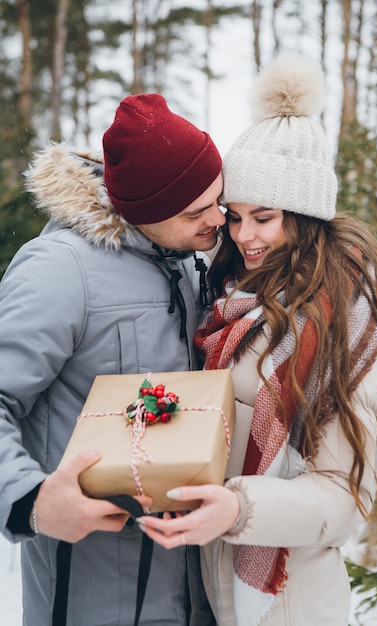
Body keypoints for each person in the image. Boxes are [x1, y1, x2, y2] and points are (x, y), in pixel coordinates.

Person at [137, 56, 377, 626]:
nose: (243, 237)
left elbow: (342, 500)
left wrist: (238, 507)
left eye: (263, 217)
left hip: (291, 603)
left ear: (306, 213)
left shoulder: (351, 326)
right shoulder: (238, 301)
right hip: (220, 591)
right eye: (234, 216)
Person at [0, 93, 226, 625]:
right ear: (145, 211)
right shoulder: (59, 270)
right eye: (197, 211)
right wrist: (29, 499)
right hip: (94, 591)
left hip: (196, 589)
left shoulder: (190, 264)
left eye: (220, 199)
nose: (218, 219)